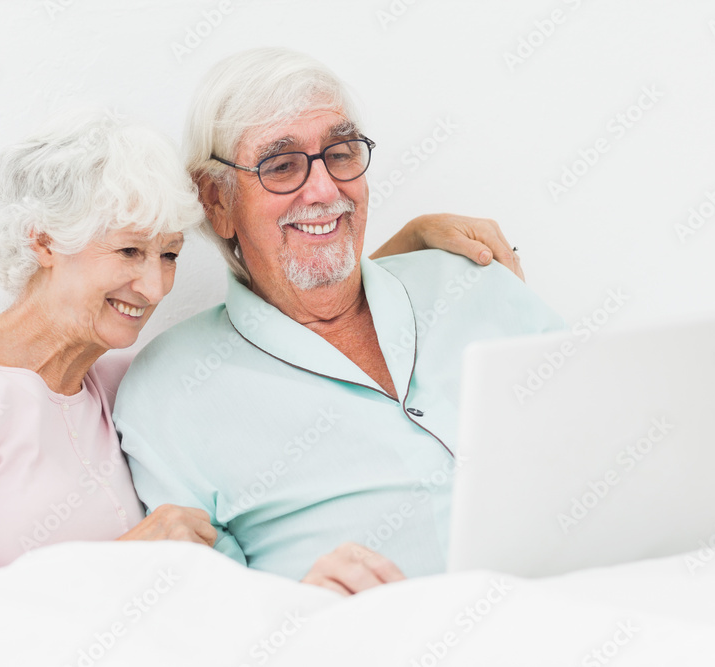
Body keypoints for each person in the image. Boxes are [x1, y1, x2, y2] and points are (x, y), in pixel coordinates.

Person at [0, 108, 525, 605]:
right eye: (128, 252)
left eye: (170, 255)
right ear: (43, 242)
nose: (153, 287)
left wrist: (408, 244)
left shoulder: (121, 384)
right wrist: (117, 561)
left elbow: (289, 325)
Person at [113, 48, 566, 596]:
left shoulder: (474, 281)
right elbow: (214, 615)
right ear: (217, 201)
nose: (325, 190)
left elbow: (608, 431)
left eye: (342, 153)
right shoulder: (168, 393)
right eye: (281, 166)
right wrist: (302, 612)